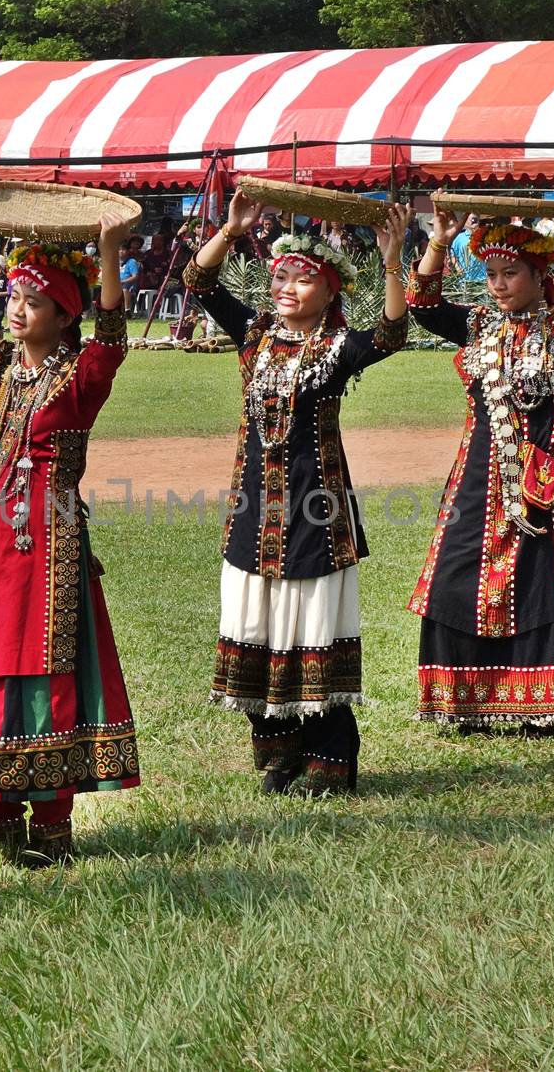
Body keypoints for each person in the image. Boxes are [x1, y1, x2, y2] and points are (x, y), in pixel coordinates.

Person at [0, 174, 140, 865]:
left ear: (64, 312)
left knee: (48, 667)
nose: (16, 308)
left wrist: (107, 257)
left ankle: (52, 819)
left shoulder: (79, 379)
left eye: (34, 299)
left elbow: (113, 340)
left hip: (51, 549)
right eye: (14, 295)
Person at [185, 190, 412, 795]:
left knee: (310, 625)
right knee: (255, 623)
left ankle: (329, 760)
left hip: (317, 511)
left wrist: (392, 261)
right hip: (254, 510)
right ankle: (277, 753)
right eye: (280, 275)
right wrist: (230, 231)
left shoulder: (337, 350)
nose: (286, 287)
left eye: (302, 279)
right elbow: (199, 284)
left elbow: (391, 334)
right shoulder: (255, 335)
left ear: (331, 291)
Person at [406, 203, 554, 733]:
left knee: (540, 582)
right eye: (492, 275)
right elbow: (422, 305)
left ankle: (538, 706)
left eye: (511, 274)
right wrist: (438, 240)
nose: (498, 285)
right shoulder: (476, 326)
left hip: (541, 484)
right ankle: (463, 702)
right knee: (455, 577)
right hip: (477, 478)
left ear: (538, 275)